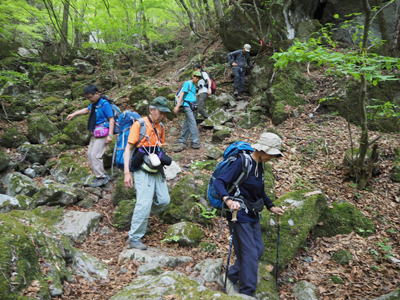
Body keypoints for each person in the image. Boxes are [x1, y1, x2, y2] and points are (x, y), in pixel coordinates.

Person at [214, 132, 285, 297]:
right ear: (261, 150)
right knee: (250, 254)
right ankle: (247, 293)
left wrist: (271, 206)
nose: (272, 157)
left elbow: (259, 191)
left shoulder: (261, 165)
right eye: (271, 153)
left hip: (253, 213)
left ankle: (228, 278)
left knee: (258, 250)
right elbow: (219, 181)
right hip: (239, 214)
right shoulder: (242, 162)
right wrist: (228, 199)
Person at [123, 97, 172, 250]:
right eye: (161, 112)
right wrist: (127, 173)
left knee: (164, 200)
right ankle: (134, 238)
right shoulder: (140, 125)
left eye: (165, 113)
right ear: (152, 110)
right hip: (141, 169)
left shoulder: (161, 127)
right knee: (143, 204)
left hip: (156, 168)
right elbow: (128, 149)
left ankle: (141, 214)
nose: (163, 116)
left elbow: (159, 147)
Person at [66, 85, 115, 187]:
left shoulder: (104, 104)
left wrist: (110, 135)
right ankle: (102, 174)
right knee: (89, 154)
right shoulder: (94, 104)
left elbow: (111, 119)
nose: (89, 99)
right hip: (96, 131)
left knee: (95, 155)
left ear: (97, 93)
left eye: (90, 97)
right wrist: (74, 114)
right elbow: (87, 110)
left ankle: (101, 177)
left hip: (104, 132)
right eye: (87, 98)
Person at [173, 71, 202, 149]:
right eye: (196, 77)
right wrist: (177, 106)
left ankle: (182, 139)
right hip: (187, 105)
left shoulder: (193, 85)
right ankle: (194, 142)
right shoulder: (187, 83)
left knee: (187, 122)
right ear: (193, 76)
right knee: (193, 123)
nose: (197, 79)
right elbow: (182, 94)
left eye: (198, 78)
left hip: (193, 106)